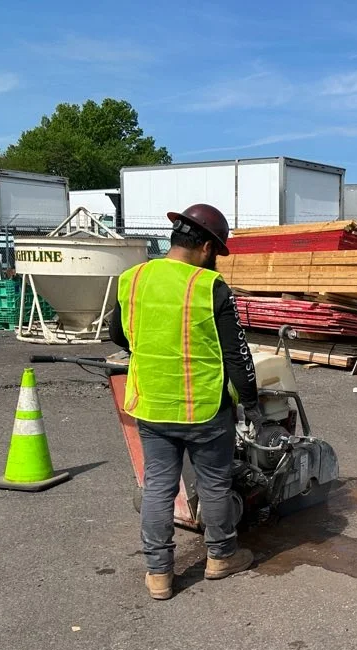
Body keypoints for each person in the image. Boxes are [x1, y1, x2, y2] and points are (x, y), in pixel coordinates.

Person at [110, 203, 264, 601]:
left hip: (152, 405)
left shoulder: (133, 277)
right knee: (214, 484)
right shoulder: (208, 286)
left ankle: (159, 574)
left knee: (159, 487)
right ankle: (221, 557)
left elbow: (118, 335)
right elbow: (237, 355)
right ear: (209, 249)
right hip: (204, 408)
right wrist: (252, 404)